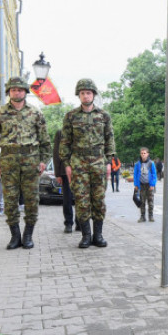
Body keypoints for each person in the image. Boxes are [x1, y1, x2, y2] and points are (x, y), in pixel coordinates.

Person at [0, 77, 51, 250]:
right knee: (10, 200)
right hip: (8, 161)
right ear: (9, 92)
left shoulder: (36, 113)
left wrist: (44, 160)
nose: (17, 92)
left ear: (25, 92)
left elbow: (45, 141)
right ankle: (15, 236)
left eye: (20, 89)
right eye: (13, 89)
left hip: (31, 161)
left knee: (31, 200)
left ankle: (28, 235)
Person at [60, 78, 116, 249]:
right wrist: (67, 165)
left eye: (89, 93)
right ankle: (86, 235)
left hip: (99, 162)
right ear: (79, 95)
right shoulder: (71, 116)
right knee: (82, 200)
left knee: (98, 199)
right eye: (83, 93)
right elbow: (65, 142)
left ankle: (98, 235)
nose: (86, 96)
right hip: (78, 163)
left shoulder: (103, 116)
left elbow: (109, 139)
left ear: (93, 94)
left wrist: (108, 162)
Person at [53, 128, 76, 233]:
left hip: (80, 170)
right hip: (64, 171)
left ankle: (80, 222)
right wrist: (57, 173)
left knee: (81, 198)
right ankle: (68, 223)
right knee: (67, 198)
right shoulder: (60, 132)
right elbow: (56, 153)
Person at [133, 147, 157, 222]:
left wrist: (152, 184)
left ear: (147, 154)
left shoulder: (151, 163)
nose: (143, 155)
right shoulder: (137, 164)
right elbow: (135, 174)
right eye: (142, 153)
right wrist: (136, 185)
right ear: (140, 154)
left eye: (144, 153)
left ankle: (151, 215)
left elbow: (154, 174)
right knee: (142, 201)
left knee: (150, 201)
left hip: (149, 185)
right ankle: (142, 216)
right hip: (141, 185)